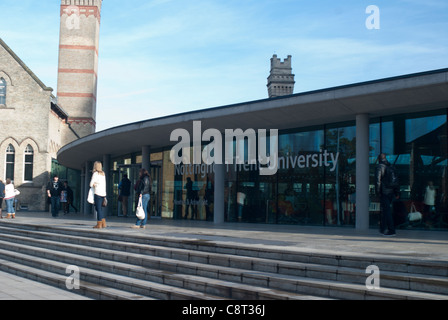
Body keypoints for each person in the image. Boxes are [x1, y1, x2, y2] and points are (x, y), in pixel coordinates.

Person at [376, 153, 399, 236]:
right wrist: (397, 192)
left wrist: (378, 192)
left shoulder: (380, 166)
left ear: (379, 158)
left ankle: (391, 230)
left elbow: (378, 180)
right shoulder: (391, 166)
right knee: (386, 210)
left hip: (384, 191)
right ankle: (382, 228)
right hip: (391, 191)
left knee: (387, 211)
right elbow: (396, 180)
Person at [90, 161, 107, 229]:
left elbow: (91, 184)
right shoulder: (103, 174)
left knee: (98, 208)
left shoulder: (95, 174)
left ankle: (99, 223)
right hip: (103, 193)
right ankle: (103, 223)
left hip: (97, 193)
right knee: (99, 209)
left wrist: (94, 184)